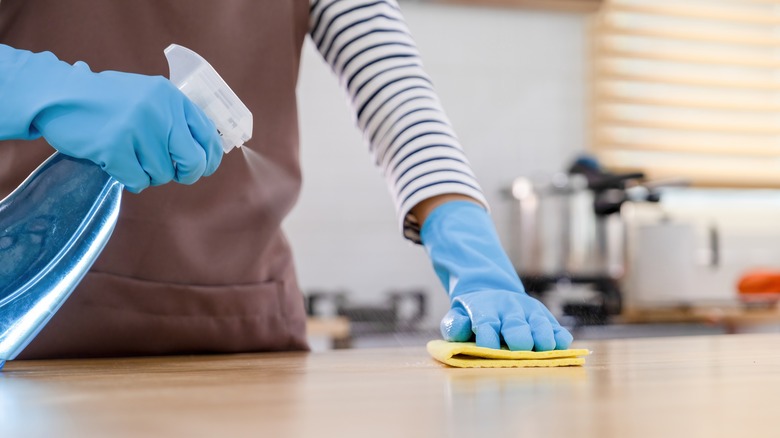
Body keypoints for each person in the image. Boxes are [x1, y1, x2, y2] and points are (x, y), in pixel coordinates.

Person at [0, 0, 572, 359]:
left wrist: (474, 259)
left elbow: (396, 93)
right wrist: (44, 88)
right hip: (28, 330)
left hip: (248, 343)